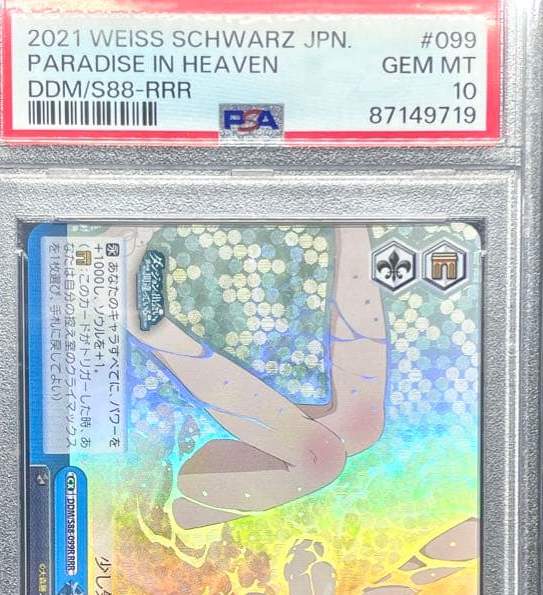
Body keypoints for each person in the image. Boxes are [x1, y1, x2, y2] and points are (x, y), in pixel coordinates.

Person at [108, 224, 386, 528]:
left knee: (319, 457)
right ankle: (352, 225)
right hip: (194, 478)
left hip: (161, 467)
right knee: (361, 423)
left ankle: (135, 314)